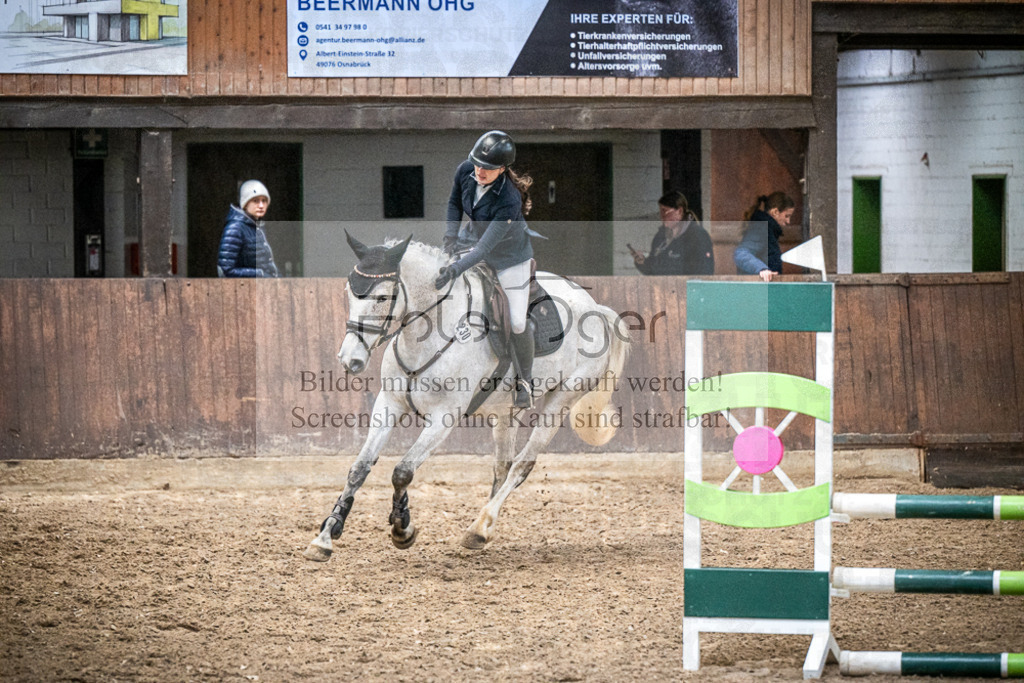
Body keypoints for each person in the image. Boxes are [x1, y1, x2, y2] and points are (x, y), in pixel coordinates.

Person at [437, 130, 538, 409]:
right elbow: (454, 203)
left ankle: (526, 381)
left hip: (509, 258)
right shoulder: (466, 169)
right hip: (472, 241)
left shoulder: (509, 198)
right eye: (478, 164)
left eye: (488, 168)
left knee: (517, 321)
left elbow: (484, 251)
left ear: (503, 169)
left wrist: (456, 267)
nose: (479, 171)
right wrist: (449, 238)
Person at [632, 190, 714, 275]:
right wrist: (642, 262)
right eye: (660, 212)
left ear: (679, 211)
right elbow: (653, 271)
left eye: (665, 211)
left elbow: (704, 272)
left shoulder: (698, 236)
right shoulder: (660, 237)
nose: (662, 217)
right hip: (663, 287)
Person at [217, 179, 278, 278]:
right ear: (245, 204)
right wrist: (260, 274)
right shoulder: (235, 228)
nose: (261, 205)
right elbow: (225, 270)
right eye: (255, 201)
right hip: (245, 290)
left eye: (264, 201)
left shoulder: (257, 228)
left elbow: (267, 266)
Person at [733, 191, 796, 282]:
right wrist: (762, 269)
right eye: (787, 216)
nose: (788, 221)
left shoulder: (767, 229)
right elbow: (741, 253)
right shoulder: (761, 229)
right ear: (775, 212)